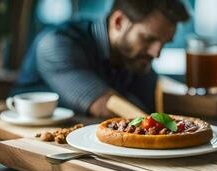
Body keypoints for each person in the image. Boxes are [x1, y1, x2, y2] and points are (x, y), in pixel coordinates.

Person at [12, 0, 189, 117]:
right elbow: (108, 106)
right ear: (118, 22)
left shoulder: (136, 58)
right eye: (148, 39)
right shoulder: (57, 43)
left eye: (164, 43)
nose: (156, 53)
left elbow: (145, 111)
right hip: (25, 141)